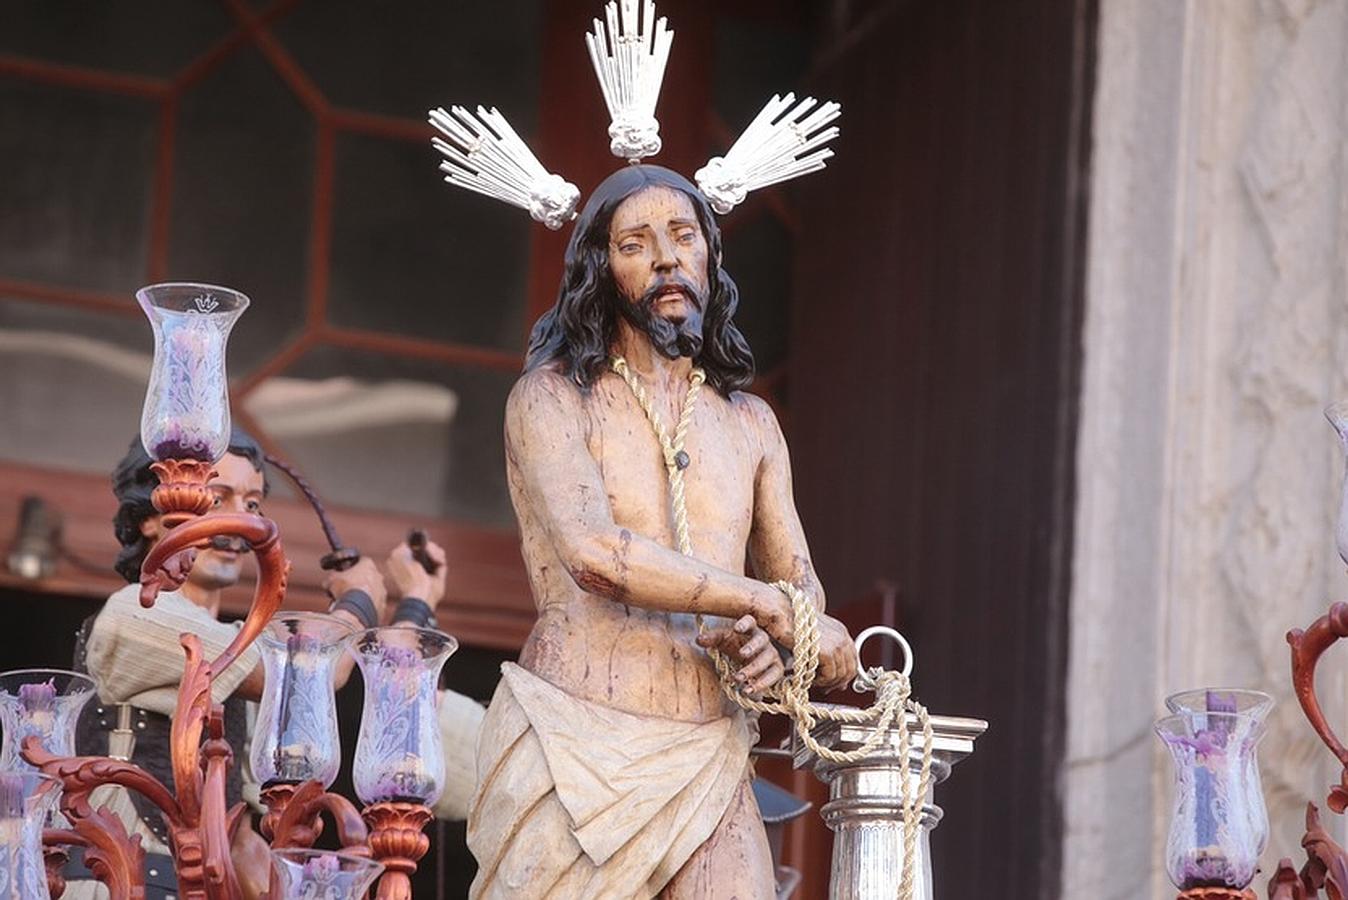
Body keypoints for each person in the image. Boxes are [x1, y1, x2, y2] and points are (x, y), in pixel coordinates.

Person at [467, 164, 858, 899]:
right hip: (572, 742)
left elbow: (800, 590)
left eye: (682, 237)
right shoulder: (551, 399)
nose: (666, 259)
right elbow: (594, 553)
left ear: (710, 255)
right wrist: (770, 608)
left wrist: (777, 649)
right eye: (636, 243)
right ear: (601, 269)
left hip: (709, 752)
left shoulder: (750, 426)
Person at [68, 430, 482, 899]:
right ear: (154, 514)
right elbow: (305, 679)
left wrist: (416, 605)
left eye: (252, 504)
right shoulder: (134, 614)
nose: (238, 522)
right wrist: (360, 603)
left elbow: (241, 842)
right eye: (217, 497)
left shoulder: (240, 670)